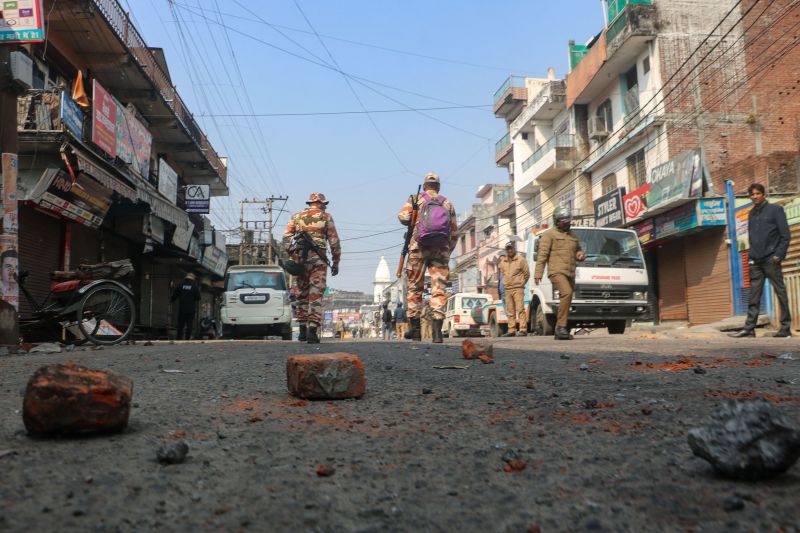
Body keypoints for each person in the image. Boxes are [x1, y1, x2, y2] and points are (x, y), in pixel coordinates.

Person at [398, 172, 457, 343]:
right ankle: (437, 333)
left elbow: (403, 217)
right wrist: (447, 251)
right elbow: (454, 232)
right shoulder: (447, 203)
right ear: (438, 186)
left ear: (425, 186)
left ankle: (415, 331)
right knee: (439, 288)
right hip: (440, 249)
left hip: (418, 248)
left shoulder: (416, 199)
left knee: (415, 287)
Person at [730, 183, 792, 338]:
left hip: (771, 259)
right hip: (755, 261)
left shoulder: (775, 210)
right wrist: (750, 257)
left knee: (780, 292)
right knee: (754, 295)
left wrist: (778, 255)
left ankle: (785, 328)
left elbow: (785, 235)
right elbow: (752, 237)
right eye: (752, 194)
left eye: (757, 194)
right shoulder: (751, 214)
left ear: (763, 194)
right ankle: (749, 328)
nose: (754, 197)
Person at [282, 192, 341, 344]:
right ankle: (312, 332)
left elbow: (286, 237)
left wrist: (293, 254)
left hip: (300, 261)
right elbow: (334, 242)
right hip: (318, 262)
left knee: (302, 294)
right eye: (324, 204)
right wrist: (336, 262)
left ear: (310, 203)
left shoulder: (297, 217)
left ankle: (302, 330)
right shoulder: (326, 217)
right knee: (315, 295)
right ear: (320, 203)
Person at [534, 207, 586, 340]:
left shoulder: (573, 235)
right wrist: (538, 273)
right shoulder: (549, 235)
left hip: (570, 272)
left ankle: (560, 330)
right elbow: (542, 255)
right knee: (567, 293)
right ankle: (561, 327)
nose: (567, 223)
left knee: (567, 298)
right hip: (556, 271)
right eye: (564, 221)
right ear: (556, 221)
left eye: (569, 220)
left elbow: (578, 250)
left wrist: (579, 255)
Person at [499, 241, 530, 337]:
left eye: (511, 248)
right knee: (510, 310)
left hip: (518, 288)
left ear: (514, 249)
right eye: (508, 249)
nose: (509, 250)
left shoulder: (521, 260)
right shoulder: (503, 262)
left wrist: (521, 283)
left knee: (520, 309)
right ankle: (511, 330)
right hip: (507, 289)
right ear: (506, 250)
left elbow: (527, 274)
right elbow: (503, 274)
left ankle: (523, 329)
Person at [171, 272, 201, 340]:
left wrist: (171, 300)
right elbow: (198, 298)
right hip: (191, 310)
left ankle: (179, 338)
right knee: (189, 325)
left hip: (182, 309)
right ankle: (187, 338)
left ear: (186, 278)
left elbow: (175, 295)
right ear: (193, 279)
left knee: (180, 325)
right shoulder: (194, 287)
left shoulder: (180, 285)